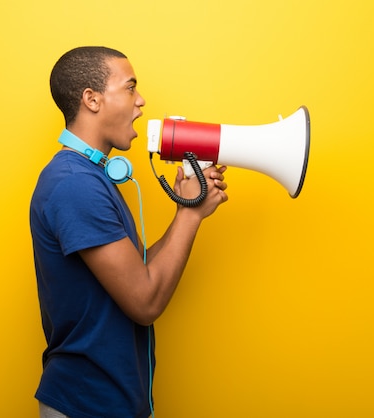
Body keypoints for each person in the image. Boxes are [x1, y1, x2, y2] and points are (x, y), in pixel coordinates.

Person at [29, 46, 228, 418]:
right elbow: (145, 302)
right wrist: (191, 216)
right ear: (92, 99)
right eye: (130, 87)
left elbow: (136, 274)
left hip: (112, 401)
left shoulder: (91, 177)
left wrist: (189, 209)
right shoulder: (75, 185)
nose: (142, 100)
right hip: (87, 404)